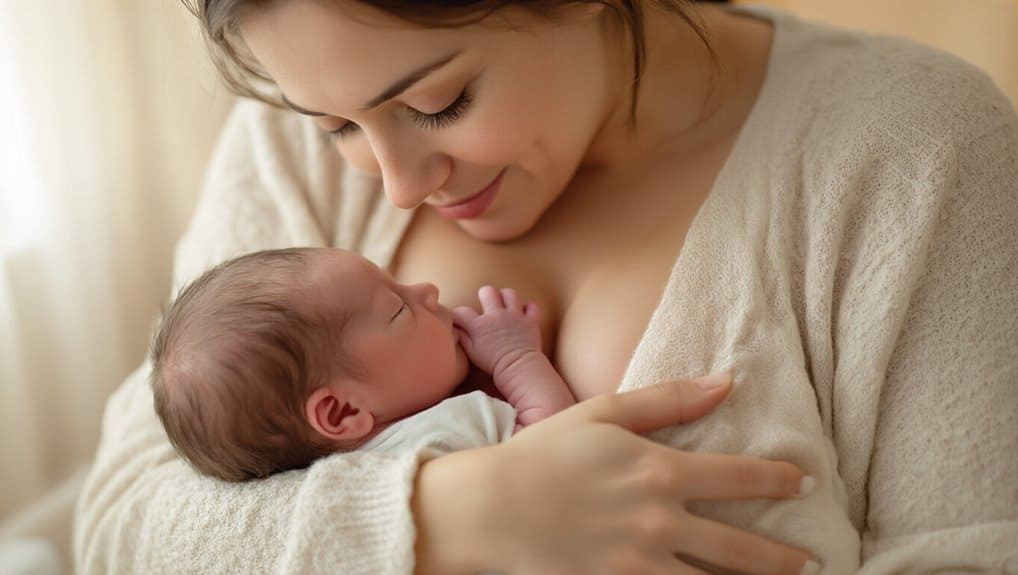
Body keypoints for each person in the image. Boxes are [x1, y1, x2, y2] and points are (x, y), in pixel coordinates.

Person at [74, 0, 1018, 574]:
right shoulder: (290, 142)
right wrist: (459, 513)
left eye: (439, 101)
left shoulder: (914, 149)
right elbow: (125, 529)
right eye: (338, 128)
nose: (399, 184)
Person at [149, 246, 575, 482]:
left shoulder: (333, 486)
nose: (426, 289)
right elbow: (561, 447)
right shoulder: (440, 438)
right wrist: (516, 357)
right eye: (397, 307)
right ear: (342, 411)